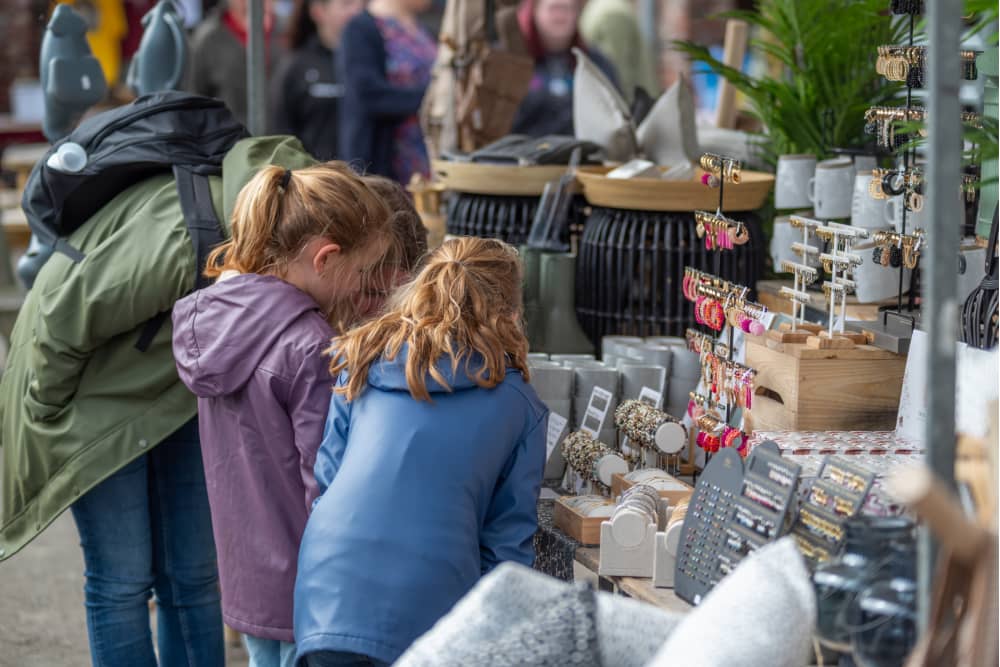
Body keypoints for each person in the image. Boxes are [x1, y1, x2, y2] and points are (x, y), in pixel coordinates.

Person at [0, 135, 317, 666]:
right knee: (123, 579)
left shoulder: (261, 230)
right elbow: (60, 322)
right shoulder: (186, 235)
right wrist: (56, 419)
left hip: (168, 393)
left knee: (193, 574)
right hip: (87, 399)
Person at [294, 237, 548, 667]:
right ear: (510, 308)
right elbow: (507, 545)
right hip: (431, 595)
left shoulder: (363, 360)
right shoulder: (517, 403)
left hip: (327, 581)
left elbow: (328, 478)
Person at [338, 0, 437, 184]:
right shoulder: (361, 29)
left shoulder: (422, 29)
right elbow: (369, 94)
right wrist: (432, 99)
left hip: (426, 157)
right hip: (387, 162)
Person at [270, 0, 363, 160]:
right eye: (347, 3)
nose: (357, 10)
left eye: (362, 4)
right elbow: (279, 134)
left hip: (367, 179)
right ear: (318, 11)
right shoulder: (296, 66)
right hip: (316, 179)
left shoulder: (370, 61)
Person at [511, 0, 619, 137]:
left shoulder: (595, 64)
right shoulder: (512, 61)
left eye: (568, 9)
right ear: (535, 11)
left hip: (583, 154)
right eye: (554, 8)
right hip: (524, 152)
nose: (561, 16)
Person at [190, 0, 278, 126]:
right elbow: (194, 98)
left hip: (283, 141)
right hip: (231, 138)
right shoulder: (208, 39)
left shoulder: (289, 32)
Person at [579, 0, 659, 104]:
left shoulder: (608, 10)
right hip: (633, 103)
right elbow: (616, 67)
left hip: (636, 103)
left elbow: (615, 68)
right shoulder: (609, 9)